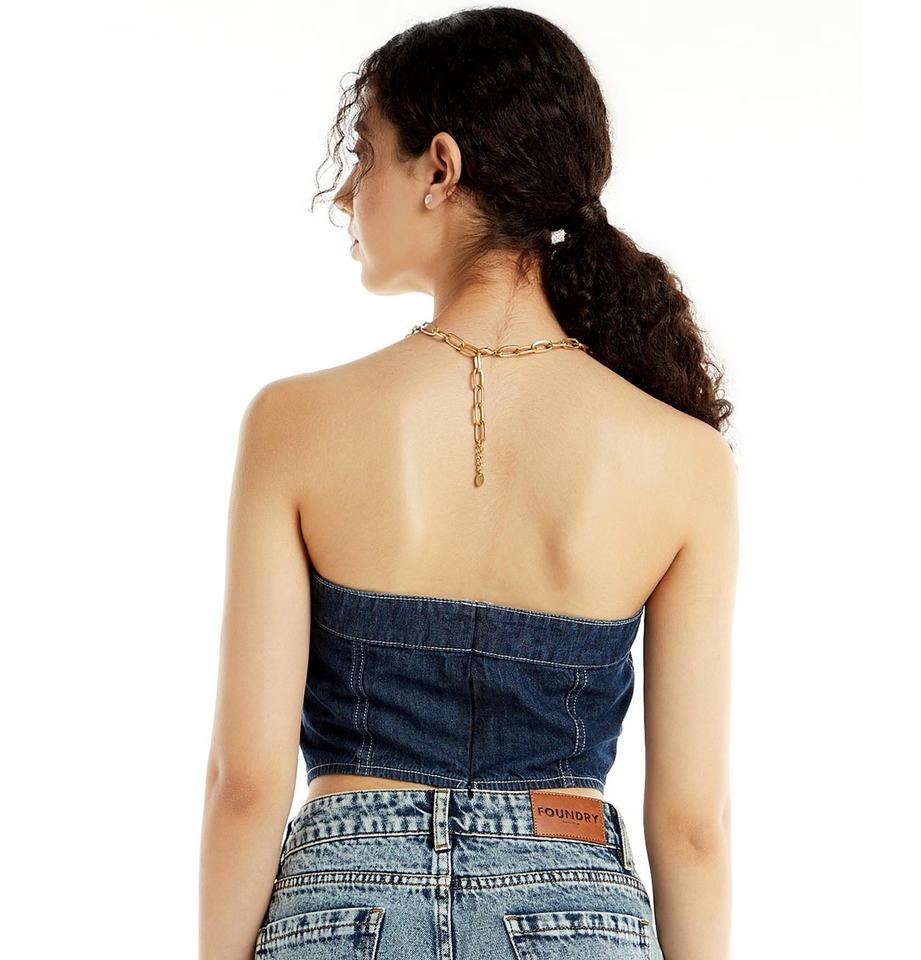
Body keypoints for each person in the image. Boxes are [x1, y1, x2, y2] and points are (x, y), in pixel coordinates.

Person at [199, 8, 737, 959]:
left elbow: (245, 785)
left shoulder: (294, 423)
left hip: (345, 906)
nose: (346, 194)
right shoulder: (686, 458)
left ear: (439, 167)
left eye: (365, 155)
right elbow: (692, 826)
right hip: (577, 909)